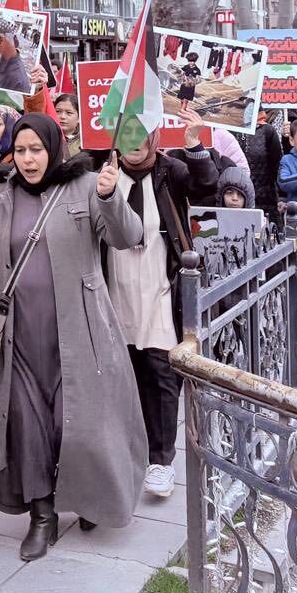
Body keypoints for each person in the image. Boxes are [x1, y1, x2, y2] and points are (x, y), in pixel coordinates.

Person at [0, 114, 145, 561]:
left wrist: (111, 196)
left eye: (36, 150)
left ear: (53, 149)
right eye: (20, 150)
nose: (27, 159)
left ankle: (88, 496)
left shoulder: (84, 185)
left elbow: (128, 237)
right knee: (28, 429)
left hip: (78, 336)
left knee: (76, 424)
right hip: (18, 340)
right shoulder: (1, 195)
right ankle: (41, 516)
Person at [112, 110, 225, 500]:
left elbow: (207, 187)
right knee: (126, 373)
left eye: (140, 136)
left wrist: (194, 143)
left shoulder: (170, 170)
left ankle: (161, 460)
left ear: (153, 137)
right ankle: (130, 452)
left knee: (162, 373)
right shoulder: (103, 170)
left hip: (161, 285)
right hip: (115, 287)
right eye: (125, 136)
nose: (133, 144)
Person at [235, 111, 283, 221]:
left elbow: (276, 165)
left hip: (264, 198)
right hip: (233, 197)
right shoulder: (225, 129)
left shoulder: (267, 131)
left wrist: (280, 196)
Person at [53, 94, 84, 163]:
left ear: (79, 117)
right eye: (58, 111)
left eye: (69, 113)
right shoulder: (48, 139)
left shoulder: (86, 144)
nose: (62, 116)